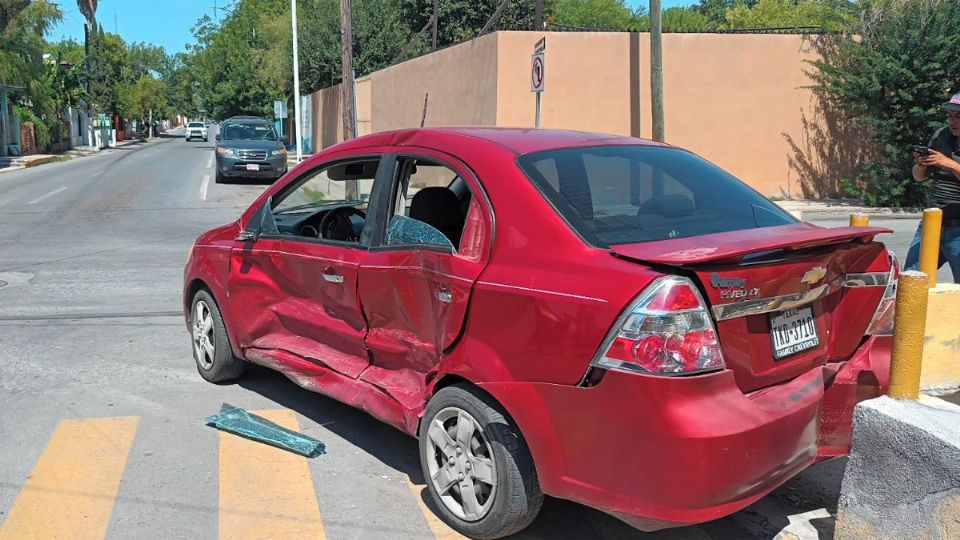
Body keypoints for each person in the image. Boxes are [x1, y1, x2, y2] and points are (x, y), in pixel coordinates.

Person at [904, 91, 960, 282]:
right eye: (950, 115)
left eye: (959, 116)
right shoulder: (941, 136)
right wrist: (921, 163)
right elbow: (919, 178)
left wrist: (950, 163)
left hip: (958, 229)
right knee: (912, 281)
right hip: (932, 224)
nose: (952, 121)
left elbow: (947, 164)